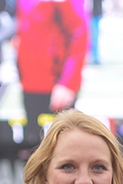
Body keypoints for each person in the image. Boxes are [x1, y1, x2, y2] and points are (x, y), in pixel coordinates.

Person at [16, 0, 88, 136]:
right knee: (33, 144)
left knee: (62, 145)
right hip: (29, 83)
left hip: (55, 85)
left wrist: (68, 83)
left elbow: (78, 34)